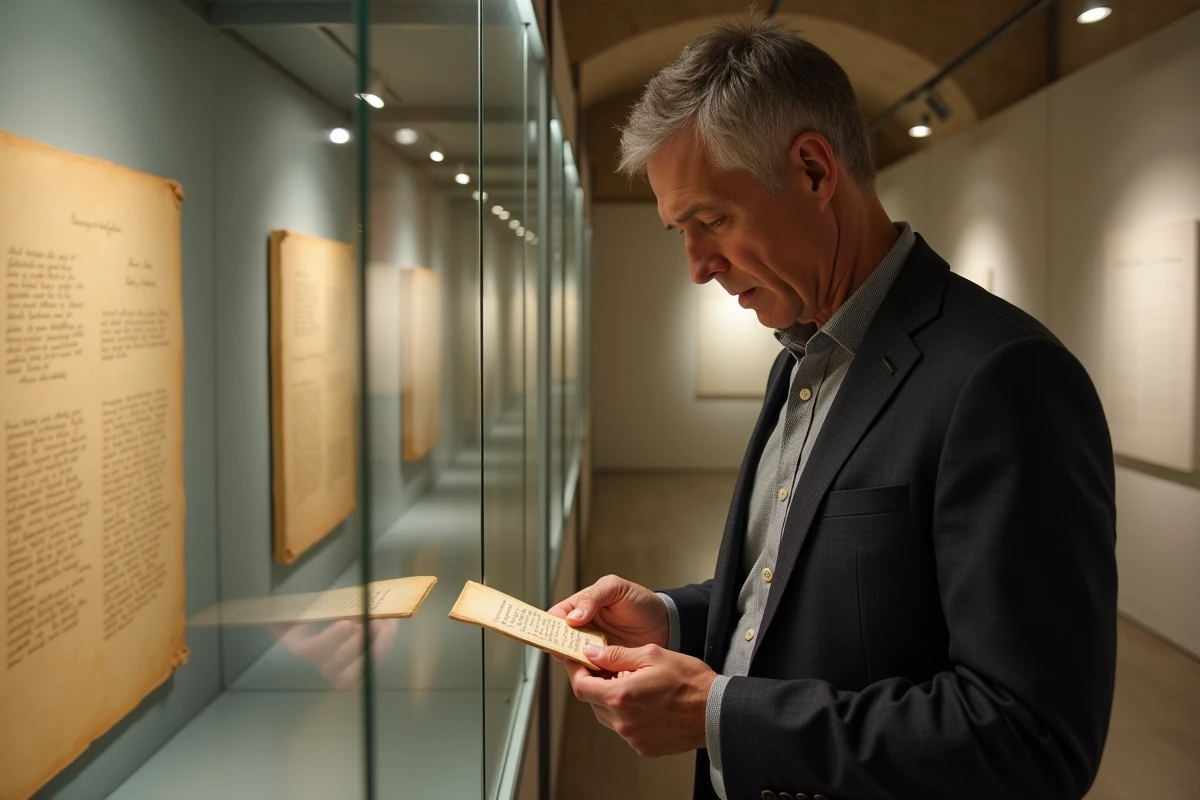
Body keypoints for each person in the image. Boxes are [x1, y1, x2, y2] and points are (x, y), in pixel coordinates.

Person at [549, 16, 1117, 800]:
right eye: (680, 231)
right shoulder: (803, 358)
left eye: (711, 220)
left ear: (815, 171)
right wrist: (675, 620)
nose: (697, 267)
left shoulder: (1005, 380)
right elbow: (815, 590)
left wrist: (719, 717)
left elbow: (1028, 736)